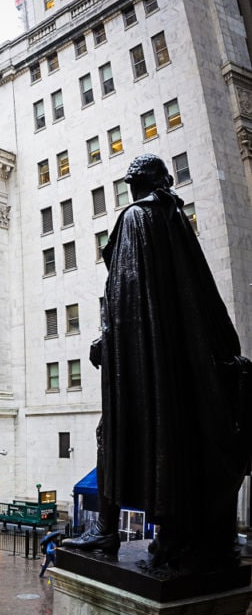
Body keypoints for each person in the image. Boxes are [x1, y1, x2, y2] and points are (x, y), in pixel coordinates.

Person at [63, 154, 251, 573]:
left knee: (109, 436)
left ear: (135, 184)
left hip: (140, 365)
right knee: (158, 442)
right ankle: (170, 534)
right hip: (173, 364)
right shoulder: (174, 218)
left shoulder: (137, 219)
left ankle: (106, 532)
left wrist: (108, 341)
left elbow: (127, 293)